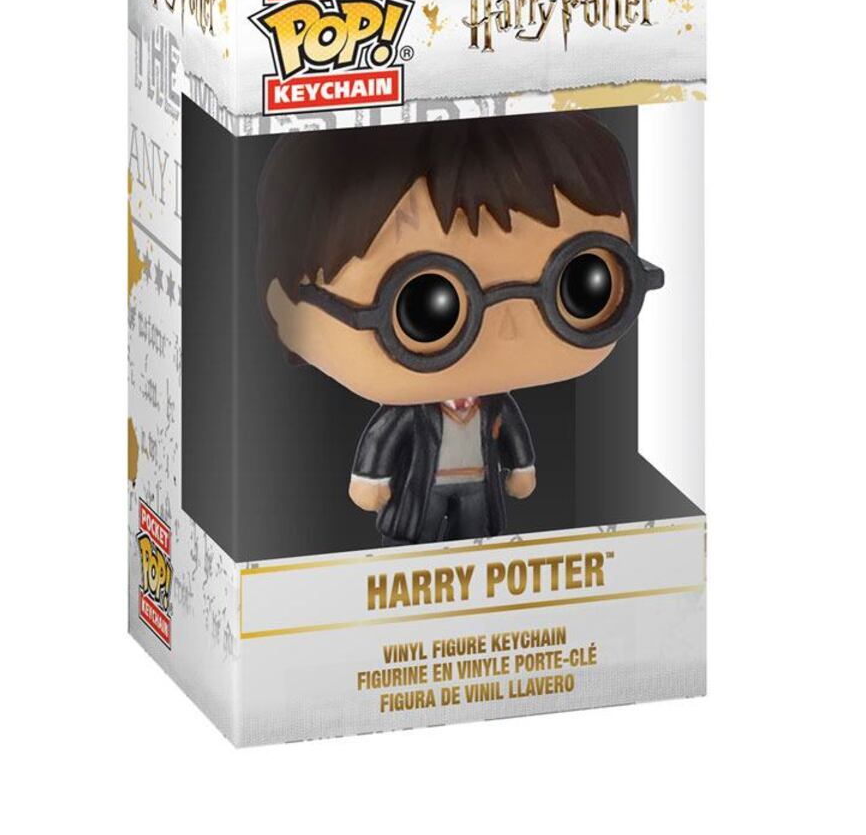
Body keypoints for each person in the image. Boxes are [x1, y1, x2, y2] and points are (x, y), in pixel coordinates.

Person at [257, 113, 662, 545]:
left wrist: (521, 469)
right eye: (427, 307)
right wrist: (370, 479)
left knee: (479, 536)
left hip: (479, 493)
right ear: (287, 309)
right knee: (415, 543)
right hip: (421, 495)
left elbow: (513, 438)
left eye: (582, 284)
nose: (508, 329)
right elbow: (382, 441)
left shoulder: (496, 408)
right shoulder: (410, 414)